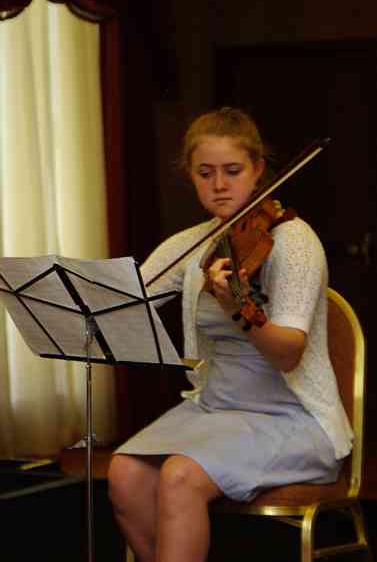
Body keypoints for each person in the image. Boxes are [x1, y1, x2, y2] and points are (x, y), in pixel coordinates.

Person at [107, 108, 351, 562]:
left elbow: (288, 354)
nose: (219, 184)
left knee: (180, 475)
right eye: (205, 173)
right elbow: (126, 299)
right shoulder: (191, 243)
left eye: (232, 171)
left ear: (258, 170)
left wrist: (237, 309)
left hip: (293, 416)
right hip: (216, 407)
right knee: (125, 472)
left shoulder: (293, 241)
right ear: (192, 176)